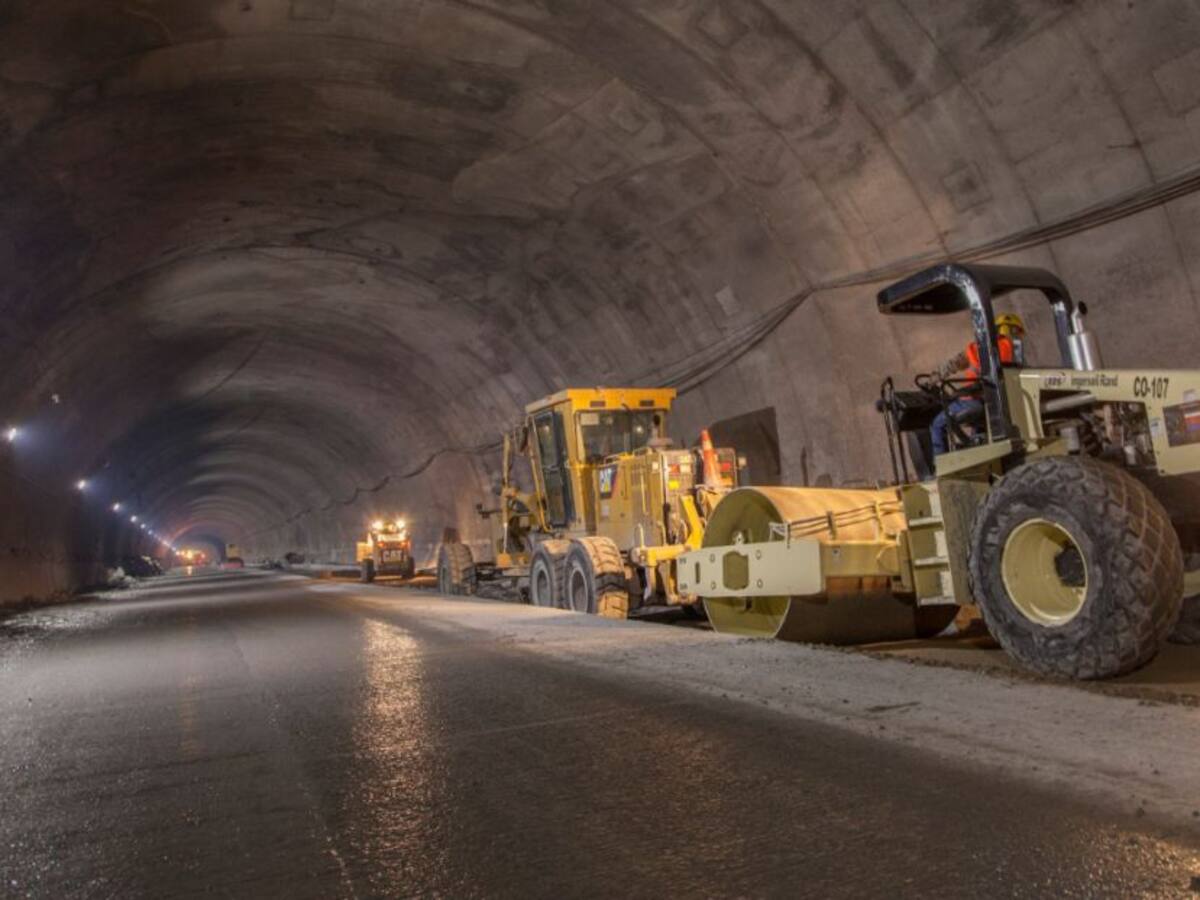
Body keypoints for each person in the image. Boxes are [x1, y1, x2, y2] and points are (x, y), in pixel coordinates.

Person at [929, 313, 1025, 456]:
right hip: (999, 404)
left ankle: (941, 465)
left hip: (974, 401)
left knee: (936, 425)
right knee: (979, 427)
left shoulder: (980, 347)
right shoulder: (1017, 355)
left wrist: (932, 379)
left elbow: (952, 365)